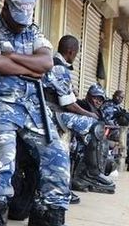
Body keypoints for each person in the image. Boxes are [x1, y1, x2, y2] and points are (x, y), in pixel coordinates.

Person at [0, 0, 85, 226]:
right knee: (4, 153)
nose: (22, 23)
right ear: (6, 7)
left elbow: (46, 64)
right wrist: (27, 64)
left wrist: (10, 56)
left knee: (58, 153)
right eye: (17, 15)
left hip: (32, 107)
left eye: (27, 15)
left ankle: (53, 224)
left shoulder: (34, 31)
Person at [42, 37, 114, 195]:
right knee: (96, 126)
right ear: (70, 52)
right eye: (76, 53)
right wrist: (90, 115)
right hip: (53, 114)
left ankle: (77, 177)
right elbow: (69, 104)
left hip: (51, 111)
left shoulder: (53, 64)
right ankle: (91, 174)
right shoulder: (60, 68)